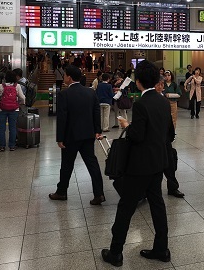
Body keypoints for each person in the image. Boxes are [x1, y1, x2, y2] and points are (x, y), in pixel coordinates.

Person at [102, 60, 171, 267]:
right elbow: (163, 131)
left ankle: (115, 253)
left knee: (126, 208)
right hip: (158, 162)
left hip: (140, 165)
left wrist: (127, 126)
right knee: (157, 205)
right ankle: (161, 248)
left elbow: (138, 136)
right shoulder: (162, 101)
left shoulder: (141, 104)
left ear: (138, 81)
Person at [49, 65, 105, 205]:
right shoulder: (90, 92)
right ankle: (99, 194)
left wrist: (60, 138)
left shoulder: (64, 94)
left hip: (70, 137)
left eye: (65, 75)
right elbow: (96, 112)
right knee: (92, 164)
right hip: (88, 135)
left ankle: (61, 192)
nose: (64, 78)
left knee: (67, 165)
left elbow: (62, 118)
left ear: (69, 77)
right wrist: (97, 130)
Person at [155, 77, 184, 198]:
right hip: (155, 139)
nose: (161, 86)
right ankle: (152, 190)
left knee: (170, 164)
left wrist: (171, 135)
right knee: (155, 166)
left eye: (162, 84)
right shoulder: (149, 100)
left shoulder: (165, 100)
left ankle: (173, 187)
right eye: (158, 84)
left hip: (165, 138)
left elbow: (170, 121)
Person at [0, 70, 26, 151]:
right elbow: (23, 98)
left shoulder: (1, 86)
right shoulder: (17, 86)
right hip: (14, 109)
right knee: (13, 128)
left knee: (1, 128)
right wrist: (21, 103)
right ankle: (12, 146)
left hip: (1, 109)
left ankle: (2, 146)